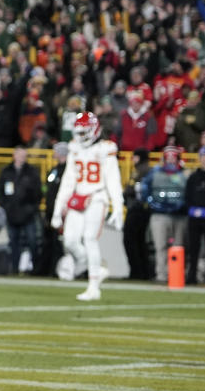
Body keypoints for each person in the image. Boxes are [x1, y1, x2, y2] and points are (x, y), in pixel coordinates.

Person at [51, 112, 125, 301]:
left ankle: (93, 287)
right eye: (79, 133)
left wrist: (117, 206)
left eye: (84, 133)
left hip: (97, 196)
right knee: (69, 241)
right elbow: (68, 180)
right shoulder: (75, 148)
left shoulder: (105, 148)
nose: (80, 137)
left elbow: (113, 179)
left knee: (90, 238)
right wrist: (58, 208)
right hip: (78, 196)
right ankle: (96, 268)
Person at [140, 146, 187, 283]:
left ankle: (176, 275)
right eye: (169, 157)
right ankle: (161, 274)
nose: (171, 160)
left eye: (174, 157)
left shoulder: (184, 174)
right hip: (159, 214)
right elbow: (145, 191)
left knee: (178, 246)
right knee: (160, 246)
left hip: (179, 215)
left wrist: (181, 205)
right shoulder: (154, 173)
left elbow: (188, 194)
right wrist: (152, 204)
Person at [0, 146, 42, 274]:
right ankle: (14, 269)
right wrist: (5, 206)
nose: (22, 158)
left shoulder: (32, 172)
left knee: (33, 242)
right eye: (20, 155)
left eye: (24, 156)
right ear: (14, 155)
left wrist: (32, 208)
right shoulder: (6, 171)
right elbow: (0, 191)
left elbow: (38, 193)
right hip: (11, 213)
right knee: (13, 243)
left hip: (28, 214)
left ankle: (36, 270)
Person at [184, 146, 205, 285]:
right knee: (193, 248)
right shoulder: (193, 176)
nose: (203, 160)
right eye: (202, 157)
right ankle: (191, 275)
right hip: (194, 217)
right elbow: (187, 196)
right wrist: (191, 209)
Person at [37, 141, 68, 277]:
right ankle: (47, 270)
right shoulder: (54, 170)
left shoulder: (69, 170)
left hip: (62, 212)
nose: (54, 153)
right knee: (48, 241)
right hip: (50, 211)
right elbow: (47, 188)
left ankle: (58, 270)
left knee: (59, 243)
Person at [123, 148, 153, 280]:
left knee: (131, 240)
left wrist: (127, 192)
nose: (133, 159)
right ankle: (142, 272)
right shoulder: (141, 170)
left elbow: (137, 191)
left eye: (135, 157)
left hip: (138, 210)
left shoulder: (144, 171)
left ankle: (137, 271)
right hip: (138, 209)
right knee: (139, 241)